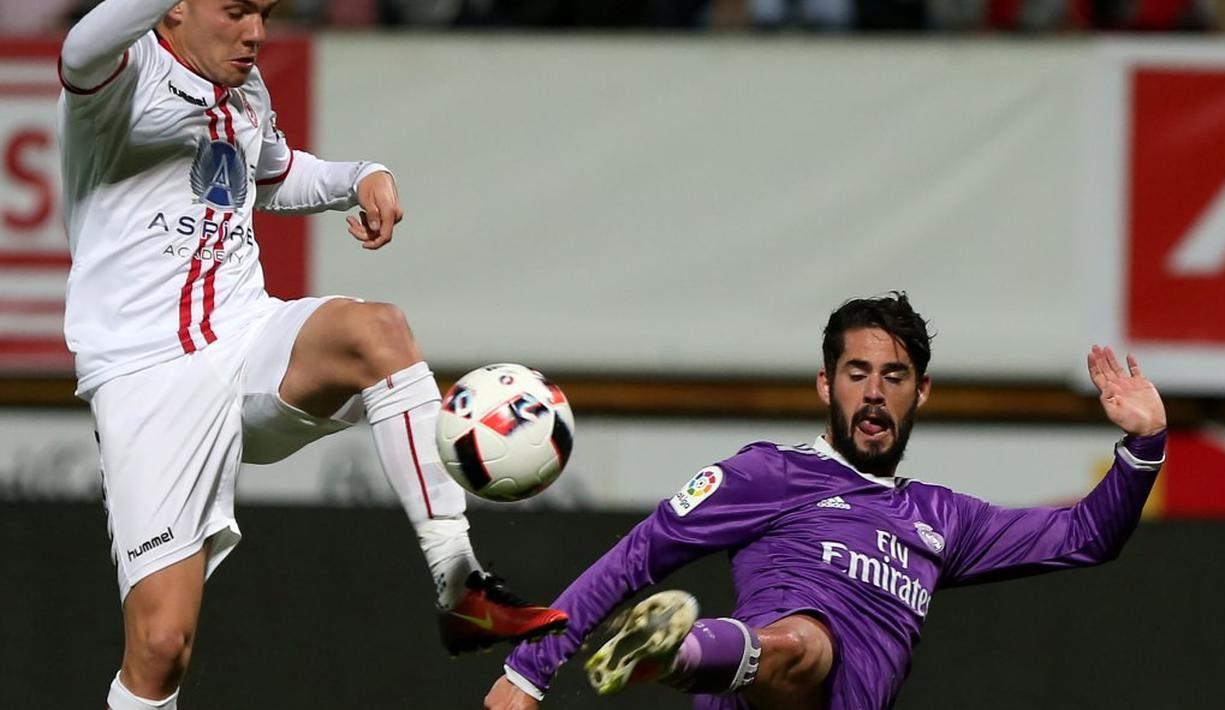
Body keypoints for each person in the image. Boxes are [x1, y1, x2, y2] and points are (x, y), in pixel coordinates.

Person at [56, 2, 568, 708]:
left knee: (377, 331)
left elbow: (270, 174)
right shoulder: (119, 69)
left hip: (245, 336)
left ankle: (460, 585)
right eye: (237, 11)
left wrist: (359, 177)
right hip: (146, 374)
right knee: (161, 648)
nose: (256, 33)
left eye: (265, 13)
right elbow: (79, 46)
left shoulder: (244, 85)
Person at [484, 292, 1167, 710]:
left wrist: (1145, 444)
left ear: (921, 392)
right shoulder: (768, 475)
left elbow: (1086, 536)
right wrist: (529, 669)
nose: (873, 392)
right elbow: (640, 554)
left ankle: (676, 653)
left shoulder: (944, 520)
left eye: (893, 376)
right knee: (806, 645)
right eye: (856, 373)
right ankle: (677, 654)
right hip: (760, 688)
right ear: (825, 384)